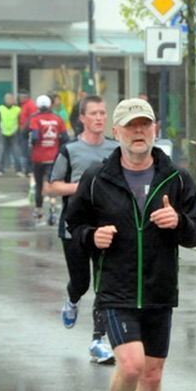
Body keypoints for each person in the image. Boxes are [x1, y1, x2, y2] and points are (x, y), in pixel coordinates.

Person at [65, 98, 196, 391]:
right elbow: (72, 225)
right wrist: (91, 236)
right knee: (130, 366)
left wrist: (178, 222)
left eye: (144, 125)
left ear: (155, 129)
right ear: (117, 133)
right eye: (130, 126)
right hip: (116, 289)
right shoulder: (97, 177)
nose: (138, 132)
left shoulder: (176, 179)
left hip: (160, 290)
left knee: (153, 374)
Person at [45, 95, 120, 365]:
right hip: (74, 227)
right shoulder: (70, 150)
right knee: (82, 282)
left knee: (104, 285)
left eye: (103, 112)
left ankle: (98, 341)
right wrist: (84, 187)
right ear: (82, 118)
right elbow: (51, 186)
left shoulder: (115, 148)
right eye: (94, 113)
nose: (100, 118)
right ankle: (72, 299)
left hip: (106, 227)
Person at [28, 94, 68, 224]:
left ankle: (39, 211)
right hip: (53, 157)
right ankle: (53, 210)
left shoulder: (35, 119)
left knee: (39, 185)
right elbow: (65, 138)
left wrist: (32, 146)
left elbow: (34, 137)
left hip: (38, 157)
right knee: (52, 184)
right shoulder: (57, 119)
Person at [0, 93, 22, 176]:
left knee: (16, 152)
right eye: (7, 99)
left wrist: (18, 131)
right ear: (4, 100)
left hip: (14, 132)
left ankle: (18, 170)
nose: (9, 100)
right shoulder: (0, 108)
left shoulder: (18, 109)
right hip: (3, 132)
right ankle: (0, 170)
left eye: (11, 98)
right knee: (1, 151)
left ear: (13, 100)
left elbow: (20, 121)